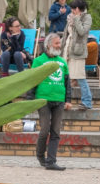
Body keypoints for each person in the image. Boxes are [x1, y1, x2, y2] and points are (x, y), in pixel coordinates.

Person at [27, 33, 72, 170]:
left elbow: (67, 82)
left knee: (56, 131)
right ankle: (41, 156)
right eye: (56, 43)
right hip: (43, 100)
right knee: (45, 129)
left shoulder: (62, 62)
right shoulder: (39, 61)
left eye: (59, 43)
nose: (59, 46)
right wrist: (30, 99)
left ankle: (51, 161)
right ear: (48, 45)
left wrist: (68, 100)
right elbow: (32, 81)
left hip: (59, 100)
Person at [61, 0, 92, 110]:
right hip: (67, 49)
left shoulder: (87, 17)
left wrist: (77, 18)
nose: (72, 11)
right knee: (65, 77)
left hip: (78, 51)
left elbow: (82, 31)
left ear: (78, 9)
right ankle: (64, 101)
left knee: (80, 77)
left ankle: (87, 102)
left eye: (73, 9)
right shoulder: (70, 17)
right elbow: (66, 34)